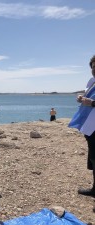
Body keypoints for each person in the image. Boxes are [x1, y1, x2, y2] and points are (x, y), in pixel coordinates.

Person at [69, 55, 95, 198]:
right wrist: (82, 99)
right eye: (93, 67)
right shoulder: (92, 82)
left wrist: (91, 103)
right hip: (91, 127)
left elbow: (92, 102)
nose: (94, 70)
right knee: (93, 157)